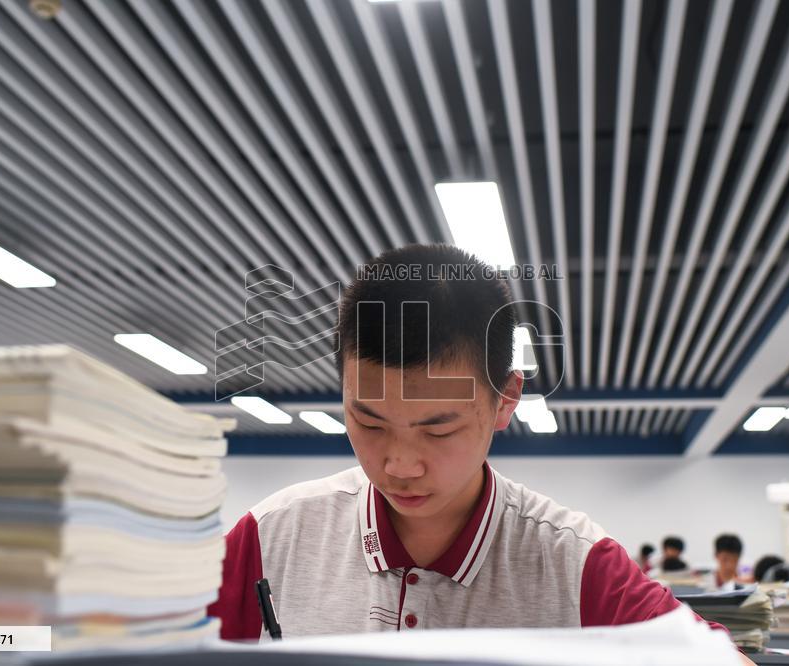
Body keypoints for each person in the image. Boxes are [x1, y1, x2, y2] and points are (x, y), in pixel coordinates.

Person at [209, 244, 746, 661]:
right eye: (367, 421)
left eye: (438, 429)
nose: (398, 465)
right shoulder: (271, 536)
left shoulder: (573, 562)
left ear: (505, 399)